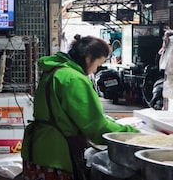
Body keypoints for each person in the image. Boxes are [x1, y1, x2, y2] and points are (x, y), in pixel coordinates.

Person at [20, 34, 139, 180]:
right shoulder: (74, 79)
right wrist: (131, 134)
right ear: (88, 57)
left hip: (37, 149)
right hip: (56, 155)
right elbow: (96, 127)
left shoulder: (54, 71)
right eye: (97, 64)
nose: (95, 70)